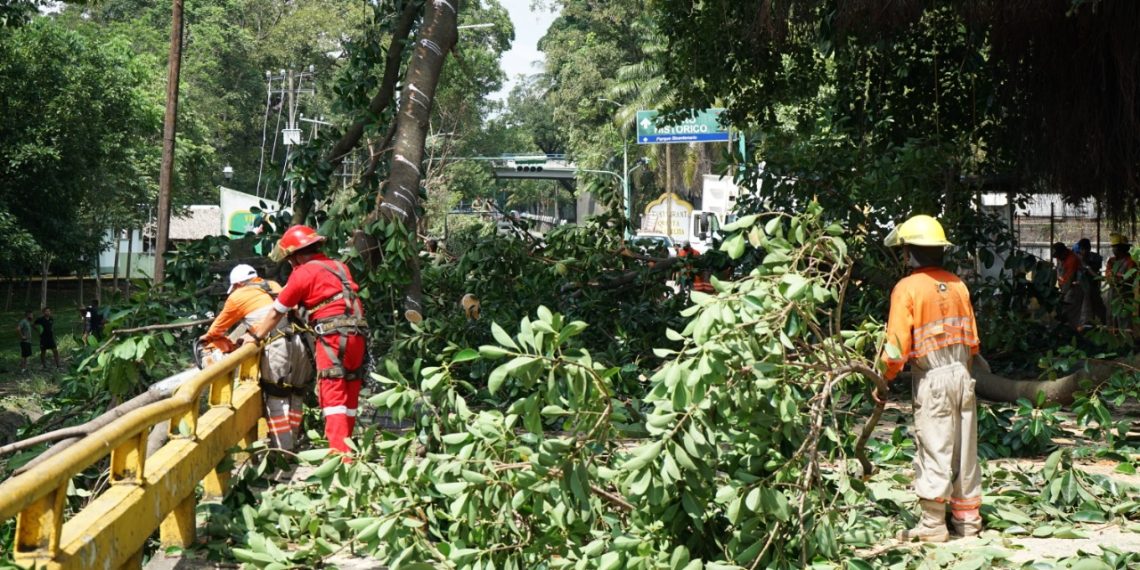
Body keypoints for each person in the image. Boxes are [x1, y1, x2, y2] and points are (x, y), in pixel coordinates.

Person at [880, 215, 982, 543]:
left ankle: (933, 524)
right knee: (964, 450)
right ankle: (967, 522)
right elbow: (973, 342)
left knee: (935, 446)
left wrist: (884, 379)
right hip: (963, 375)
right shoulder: (958, 285)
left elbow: (895, 349)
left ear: (908, 252)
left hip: (933, 378)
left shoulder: (907, 288)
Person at [241, 225, 368, 455]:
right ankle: (350, 451)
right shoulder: (340, 268)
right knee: (350, 392)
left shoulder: (302, 274)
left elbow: (275, 312)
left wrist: (255, 336)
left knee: (333, 399)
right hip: (357, 335)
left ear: (295, 256)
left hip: (331, 338)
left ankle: (340, 459)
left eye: (290, 259)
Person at [200, 264, 312, 450]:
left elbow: (216, 330)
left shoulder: (237, 297)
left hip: (278, 347)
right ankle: (293, 441)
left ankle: (283, 451)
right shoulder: (273, 285)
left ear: (237, 285)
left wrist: (206, 340)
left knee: (277, 397)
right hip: (302, 344)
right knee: (296, 393)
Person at [1104, 233, 1137, 333]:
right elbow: (1108, 275)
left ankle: (1126, 343)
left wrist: (1118, 277)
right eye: (1113, 247)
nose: (1113, 250)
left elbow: (1130, 277)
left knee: (1124, 319)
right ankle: (1113, 341)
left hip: (1124, 295)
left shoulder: (1130, 262)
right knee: (1111, 317)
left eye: (1115, 247)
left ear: (1122, 248)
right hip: (1112, 294)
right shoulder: (1111, 261)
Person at [1053, 242, 1084, 330]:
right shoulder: (1060, 257)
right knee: (1064, 312)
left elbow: (1069, 280)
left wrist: (1062, 295)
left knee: (1070, 314)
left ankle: (1073, 336)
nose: (1057, 258)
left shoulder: (1072, 260)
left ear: (1063, 253)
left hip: (1074, 289)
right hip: (1064, 289)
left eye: (1058, 256)